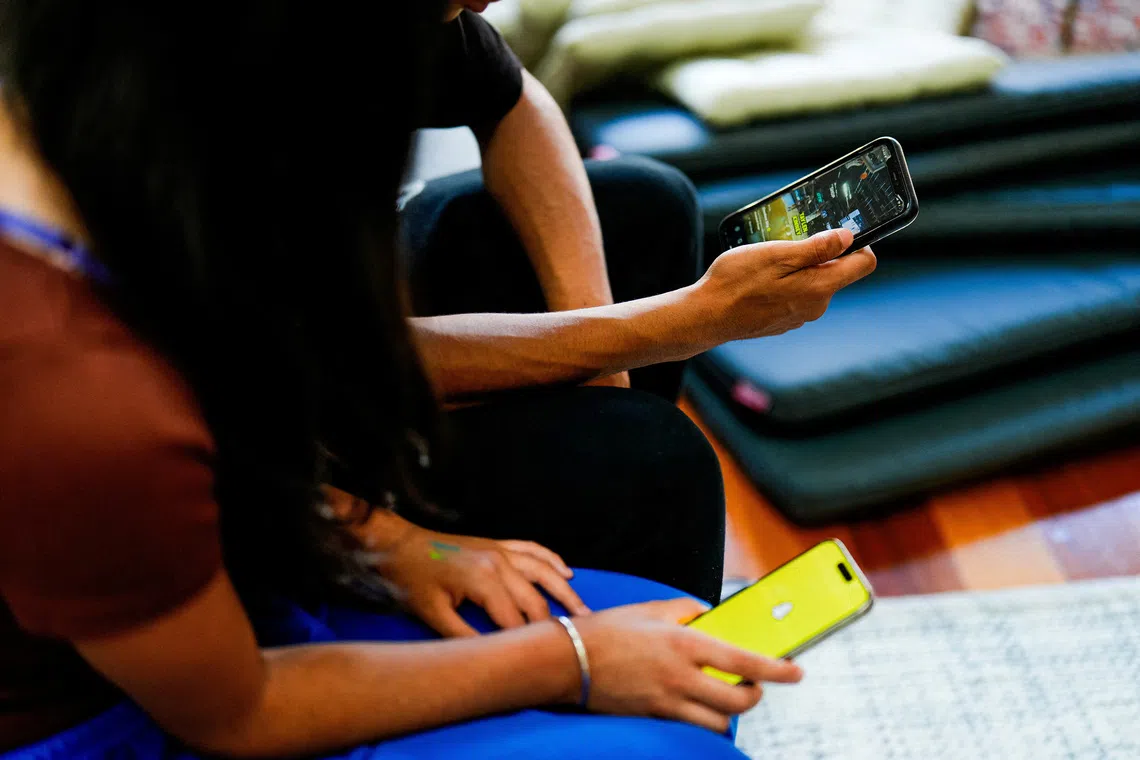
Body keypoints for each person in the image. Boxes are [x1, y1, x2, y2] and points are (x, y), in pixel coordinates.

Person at [0, 1, 876, 758]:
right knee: (658, 710)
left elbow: (240, 397)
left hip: (222, 552)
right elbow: (239, 709)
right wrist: (576, 660)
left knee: (652, 612)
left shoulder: (114, 136)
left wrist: (380, 538)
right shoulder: (79, 398)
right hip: (152, 712)